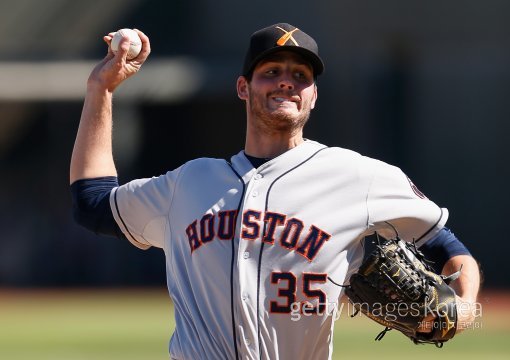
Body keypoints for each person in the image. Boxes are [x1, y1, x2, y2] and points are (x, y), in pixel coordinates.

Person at [70, 23, 480, 359]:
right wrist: (101, 90)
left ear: (313, 96)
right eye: (271, 72)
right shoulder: (188, 183)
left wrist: (464, 309)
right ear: (243, 88)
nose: (286, 83)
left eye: (300, 76)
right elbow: (92, 204)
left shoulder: (359, 176)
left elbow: (446, 246)